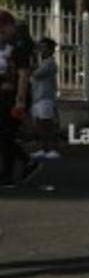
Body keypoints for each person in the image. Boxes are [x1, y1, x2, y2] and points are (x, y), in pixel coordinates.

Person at [0, 11, 40, 188]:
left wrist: (20, 101)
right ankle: (27, 162)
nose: (1, 34)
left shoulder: (21, 43)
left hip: (15, 96)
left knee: (7, 135)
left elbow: (23, 74)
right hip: (5, 95)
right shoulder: (7, 43)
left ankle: (7, 176)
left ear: (9, 25)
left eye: (2, 30)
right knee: (4, 136)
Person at [30, 37, 60, 159]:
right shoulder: (42, 62)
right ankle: (44, 148)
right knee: (39, 125)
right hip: (37, 97)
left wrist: (31, 64)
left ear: (51, 50)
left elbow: (35, 74)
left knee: (47, 124)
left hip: (45, 97)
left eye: (43, 48)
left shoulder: (50, 64)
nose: (40, 50)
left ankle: (52, 149)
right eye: (40, 48)